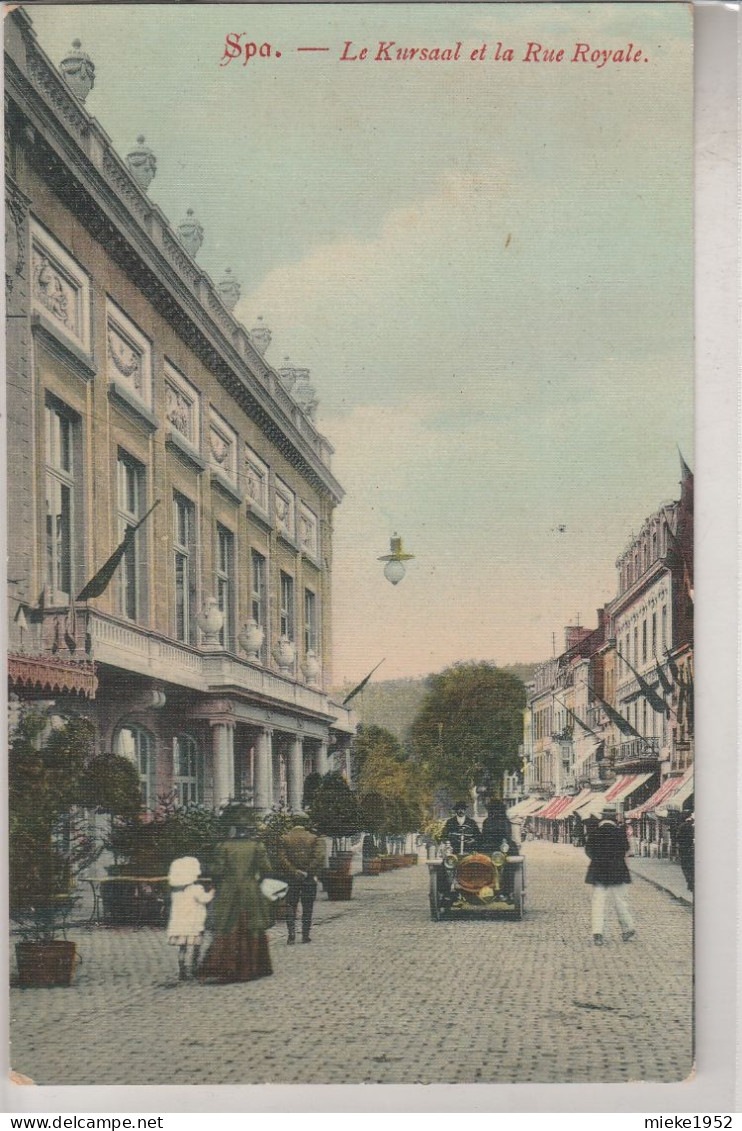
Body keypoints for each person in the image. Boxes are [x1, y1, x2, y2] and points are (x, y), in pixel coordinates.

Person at [198, 815, 273, 984]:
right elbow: (267, 868)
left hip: (228, 891)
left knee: (227, 926)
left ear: (233, 830)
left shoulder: (223, 846)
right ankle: (254, 967)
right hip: (250, 891)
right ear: (248, 830)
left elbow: (217, 870)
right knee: (252, 925)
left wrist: (208, 869)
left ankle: (227, 966)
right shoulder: (257, 846)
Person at [585, 804, 636, 946]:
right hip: (617, 871)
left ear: (602, 817)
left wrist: (598, 859)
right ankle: (627, 929)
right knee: (620, 902)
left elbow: (588, 851)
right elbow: (626, 849)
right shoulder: (620, 832)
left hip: (599, 871)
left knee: (598, 902)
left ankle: (597, 933)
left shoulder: (594, 832)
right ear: (614, 818)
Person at [277, 818, 326, 945]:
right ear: (305, 823)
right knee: (307, 907)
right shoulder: (313, 838)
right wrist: (307, 871)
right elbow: (319, 856)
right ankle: (305, 935)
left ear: (293, 823)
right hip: (308, 878)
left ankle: (291, 935)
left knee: (290, 906)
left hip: (291, 878)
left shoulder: (285, 838)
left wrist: (294, 871)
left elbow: (282, 858)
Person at [166, 855, 214, 981]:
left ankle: (182, 969)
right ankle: (194, 966)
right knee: (196, 946)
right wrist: (213, 891)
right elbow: (205, 899)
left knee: (183, 948)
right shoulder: (196, 889)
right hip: (194, 925)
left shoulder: (175, 892)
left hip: (180, 926)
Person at [676, 806, 694, 893]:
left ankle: (690, 882)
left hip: (684, 849)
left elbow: (678, 838)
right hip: (692, 849)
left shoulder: (682, 826)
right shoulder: (693, 826)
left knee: (686, 867)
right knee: (691, 866)